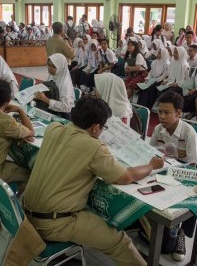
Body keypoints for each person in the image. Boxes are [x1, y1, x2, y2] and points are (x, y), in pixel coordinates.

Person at [23, 95, 164, 266]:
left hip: (26, 214)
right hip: (53, 224)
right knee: (120, 241)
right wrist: (151, 166)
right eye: (104, 127)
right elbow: (126, 177)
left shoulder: (53, 128)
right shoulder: (94, 147)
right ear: (96, 127)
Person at [149, 91, 197, 261]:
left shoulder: (189, 133)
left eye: (167, 113)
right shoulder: (158, 130)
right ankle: (150, 226)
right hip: (163, 171)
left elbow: (193, 167)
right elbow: (151, 153)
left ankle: (181, 233)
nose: (162, 117)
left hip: (184, 174)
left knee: (193, 195)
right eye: (160, 112)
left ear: (179, 113)